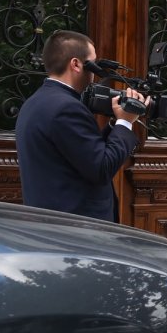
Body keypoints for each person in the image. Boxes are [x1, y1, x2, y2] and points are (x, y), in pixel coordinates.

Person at [15, 30, 147, 222]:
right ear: (76, 64)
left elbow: (82, 154)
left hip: (52, 224)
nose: (95, 74)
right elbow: (101, 167)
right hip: (76, 230)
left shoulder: (36, 102)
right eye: (93, 64)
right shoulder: (66, 108)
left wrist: (115, 123)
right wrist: (126, 121)